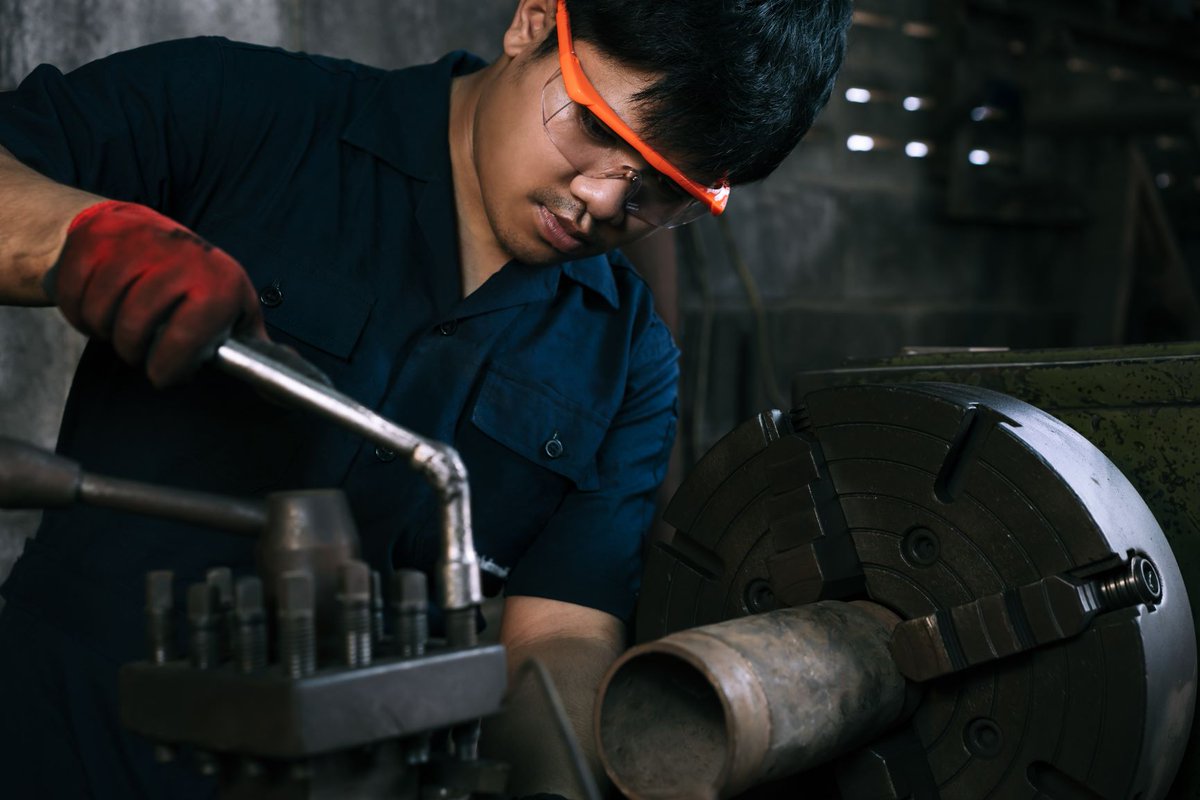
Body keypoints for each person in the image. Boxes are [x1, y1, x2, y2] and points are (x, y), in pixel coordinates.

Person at [0, 0, 852, 796]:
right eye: (592, 124)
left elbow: (556, 634)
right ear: (531, 24)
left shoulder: (628, 359)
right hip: (58, 739)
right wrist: (84, 240)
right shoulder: (242, 111)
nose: (602, 199)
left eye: (660, 190)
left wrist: (561, 779)